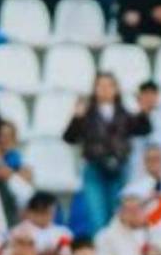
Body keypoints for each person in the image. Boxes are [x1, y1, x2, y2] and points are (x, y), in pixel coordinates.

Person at [63, 72, 151, 234]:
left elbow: (143, 130)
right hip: (94, 168)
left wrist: (143, 113)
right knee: (97, 217)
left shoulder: (124, 114)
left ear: (116, 89)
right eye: (100, 85)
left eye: (109, 85)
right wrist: (76, 118)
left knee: (116, 216)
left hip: (119, 168)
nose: (104, 89)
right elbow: (69, 138)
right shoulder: (87, 114)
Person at [95, 189, 149, 255]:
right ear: (119, 212)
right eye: (131, 210)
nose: (136, 214)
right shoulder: (105, 237)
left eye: (139, 208)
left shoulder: (153, 233)